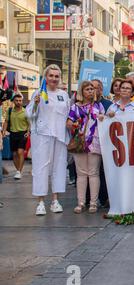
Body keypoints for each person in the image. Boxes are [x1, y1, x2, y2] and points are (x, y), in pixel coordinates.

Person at [26, 64, 70, 216]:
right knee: (41, 168)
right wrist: (36, 103)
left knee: (58, 167)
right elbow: (30, 114)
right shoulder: (39, 93)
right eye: (51, 76)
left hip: (60, 136)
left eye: (57, 76)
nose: (54, 79)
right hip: (42, 135)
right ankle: (40, 202)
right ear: (45, 77)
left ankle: (55, 200)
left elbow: (68, 115)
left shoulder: (63, 95)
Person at [66, 81, 105, 214]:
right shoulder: (75, 107)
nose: (90, 91)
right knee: (81, 173)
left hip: (94, 142)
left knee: (93, 173)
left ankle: (93, 203)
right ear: (81, 92)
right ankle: (81, 202)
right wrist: (76, 124)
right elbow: (69, 123)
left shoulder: (99, 106)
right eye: (87, 89)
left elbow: (104, 122)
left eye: (92, 89)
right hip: (80, 142)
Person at [2, 93, 29, 180]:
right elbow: (6, 121)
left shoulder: (25, 112)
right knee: (14, 154)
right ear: (13, 101)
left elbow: (30, 123)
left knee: (20, 152)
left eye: (20, 101)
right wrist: (3, 131)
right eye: (17, 100)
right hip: (13, 134)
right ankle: (18, 171)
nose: (18, 102)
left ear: (22, 101)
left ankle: (18, 172)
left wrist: (28, 132)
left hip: (22, 133)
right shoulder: (10, 111)